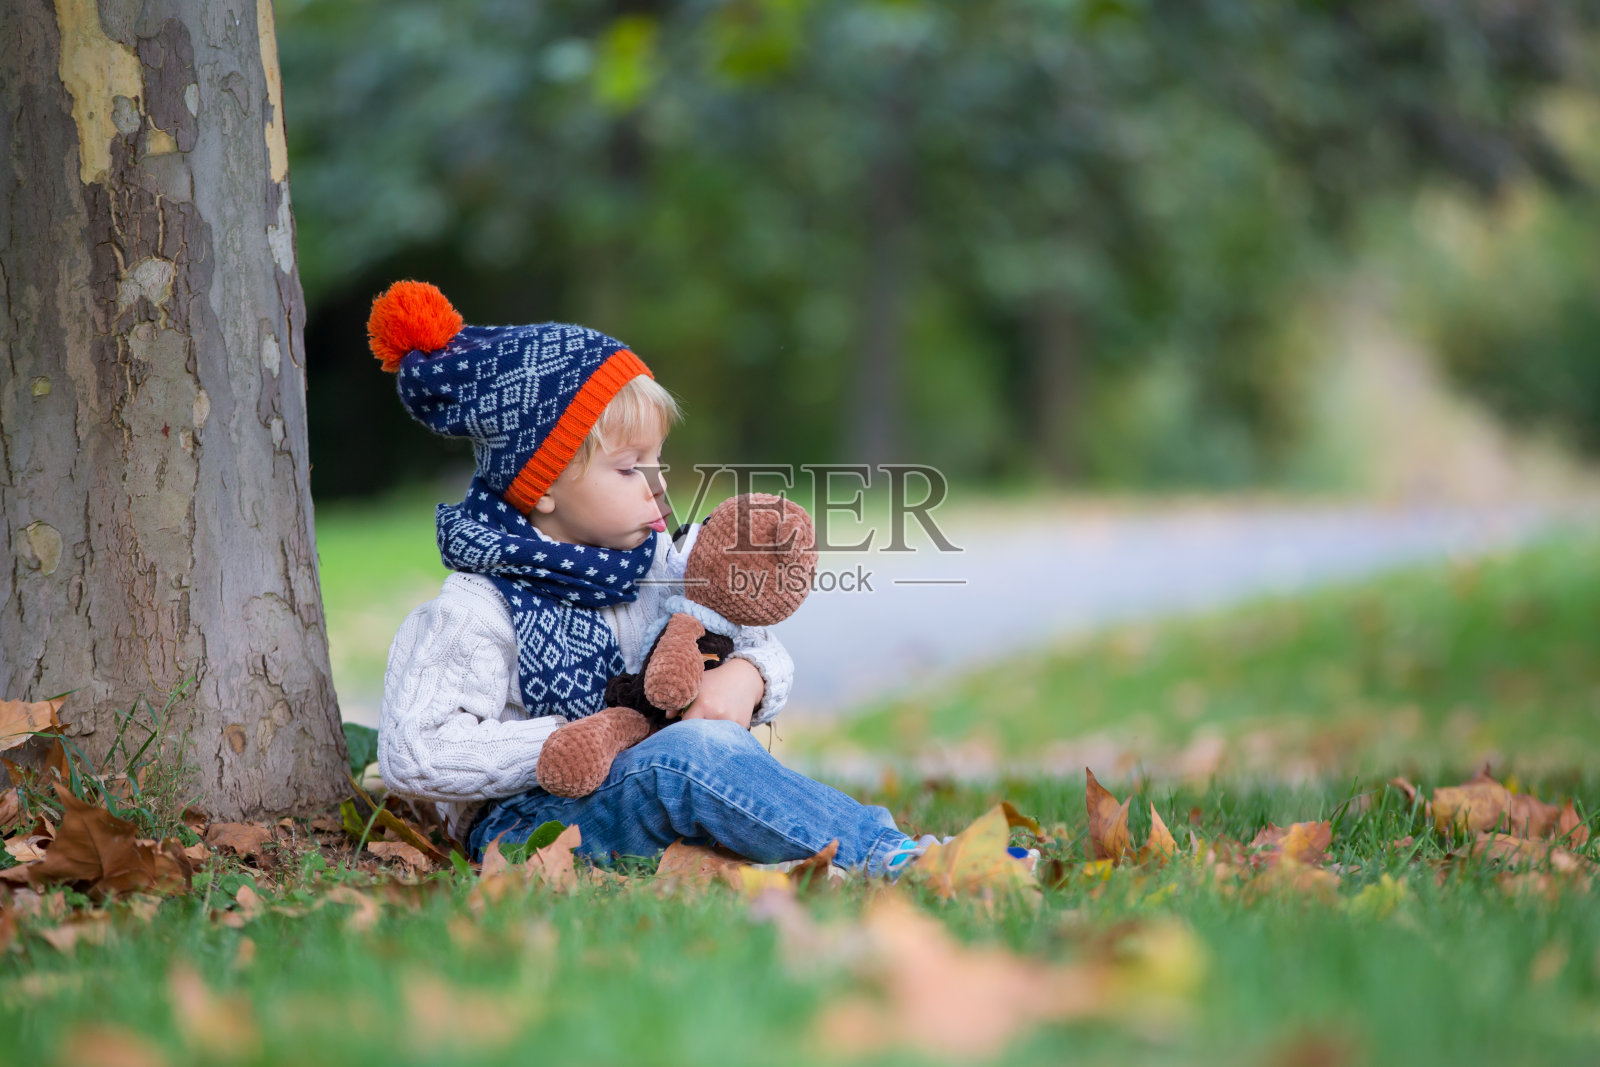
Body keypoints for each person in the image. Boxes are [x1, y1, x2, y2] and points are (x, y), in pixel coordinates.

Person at [369, 281, 932, 875]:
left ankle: (829, 850)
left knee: (702, 752)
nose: (657, 484)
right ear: (543, 484)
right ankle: (889, 856)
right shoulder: (479, 607)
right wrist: (575, 740)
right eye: (628, 468)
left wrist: (747, 677)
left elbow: (751, 640)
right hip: (531, 825)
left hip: (647, 785)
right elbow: (415, 751)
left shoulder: (660, 566)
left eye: (657, 460)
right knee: (687, 757)